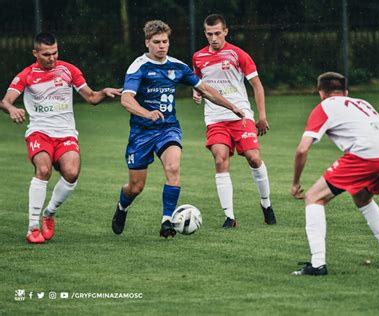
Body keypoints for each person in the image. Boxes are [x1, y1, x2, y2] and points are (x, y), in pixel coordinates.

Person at [111, 20, 245, 238]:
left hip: (168, 128)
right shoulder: (138, 67)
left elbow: (205, 90)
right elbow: (126, 99)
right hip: (141, 133)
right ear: (147, 43)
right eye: (157, 42)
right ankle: (122, 207)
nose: (162, 46)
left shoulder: (177, 66)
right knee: (135, 187)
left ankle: (167, 221)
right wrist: (147, 113)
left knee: (173, 168)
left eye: (165, 41)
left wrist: (232, 107)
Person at [290, 72, 379, 276]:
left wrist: (295, 183)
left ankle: (317, 264)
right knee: (362, 197)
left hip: (367, 153)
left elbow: (302, 149)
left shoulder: (324, 106)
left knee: (313, 197)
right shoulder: (362, 104)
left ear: (321, 93)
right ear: (346, 92)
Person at [0, 32, 122, 244]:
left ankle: (49, 213)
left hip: (65, 133)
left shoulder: (69, 70)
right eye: (46, 54)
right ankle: (33, 227)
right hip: (40, 132)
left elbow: (91, 97)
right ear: (35, 53)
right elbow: (5, 101)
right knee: (44, 170)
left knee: (72, 173)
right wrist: (11, 109)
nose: (52, 58)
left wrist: (104, 91)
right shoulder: (26, 75)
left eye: (55, 52)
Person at [192, 14, 276, 228]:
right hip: (215, 118)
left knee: (253, 158)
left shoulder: (238, 54)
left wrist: (262, 115)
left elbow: (257, 85)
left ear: (226, 31)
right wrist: (197, 93)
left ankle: (266, 204)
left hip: (241, 116)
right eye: (209, 34)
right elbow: (198, 83)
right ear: (205, 34)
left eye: (217, 33)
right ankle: (229, 217)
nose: (214, 38)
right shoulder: (198, 57)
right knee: (220, 159)